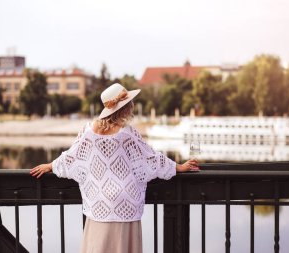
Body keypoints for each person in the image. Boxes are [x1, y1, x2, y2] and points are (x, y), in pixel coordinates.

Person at [30, 83, 200, 253]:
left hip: (99, 200)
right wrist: (179, 167)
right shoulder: (127, 133)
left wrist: (50, 165)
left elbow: (71, 157)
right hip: (125, 201)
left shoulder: (88, 132)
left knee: (98, 247)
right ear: (125, 107)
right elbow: (151, 159)